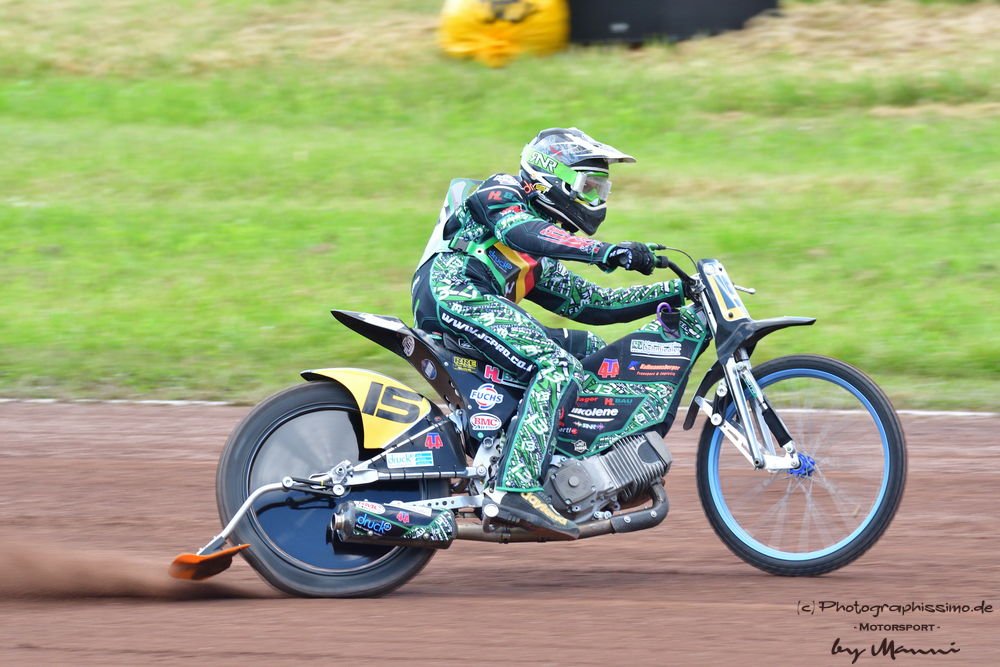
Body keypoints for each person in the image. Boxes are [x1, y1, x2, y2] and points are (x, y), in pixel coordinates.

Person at [412, 127, 683, 539]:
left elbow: (593, 303)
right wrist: (606, 252)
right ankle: (515, 489)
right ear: (550, 175)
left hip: (475, 302)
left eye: (601, 190)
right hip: (453, 291)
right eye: (588, 187)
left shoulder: (536, 258)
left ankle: (562, 469)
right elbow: (520, 230)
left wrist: (676, 290)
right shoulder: (501, 192)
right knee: (555, 366)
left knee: (591, 351)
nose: (595, 200)